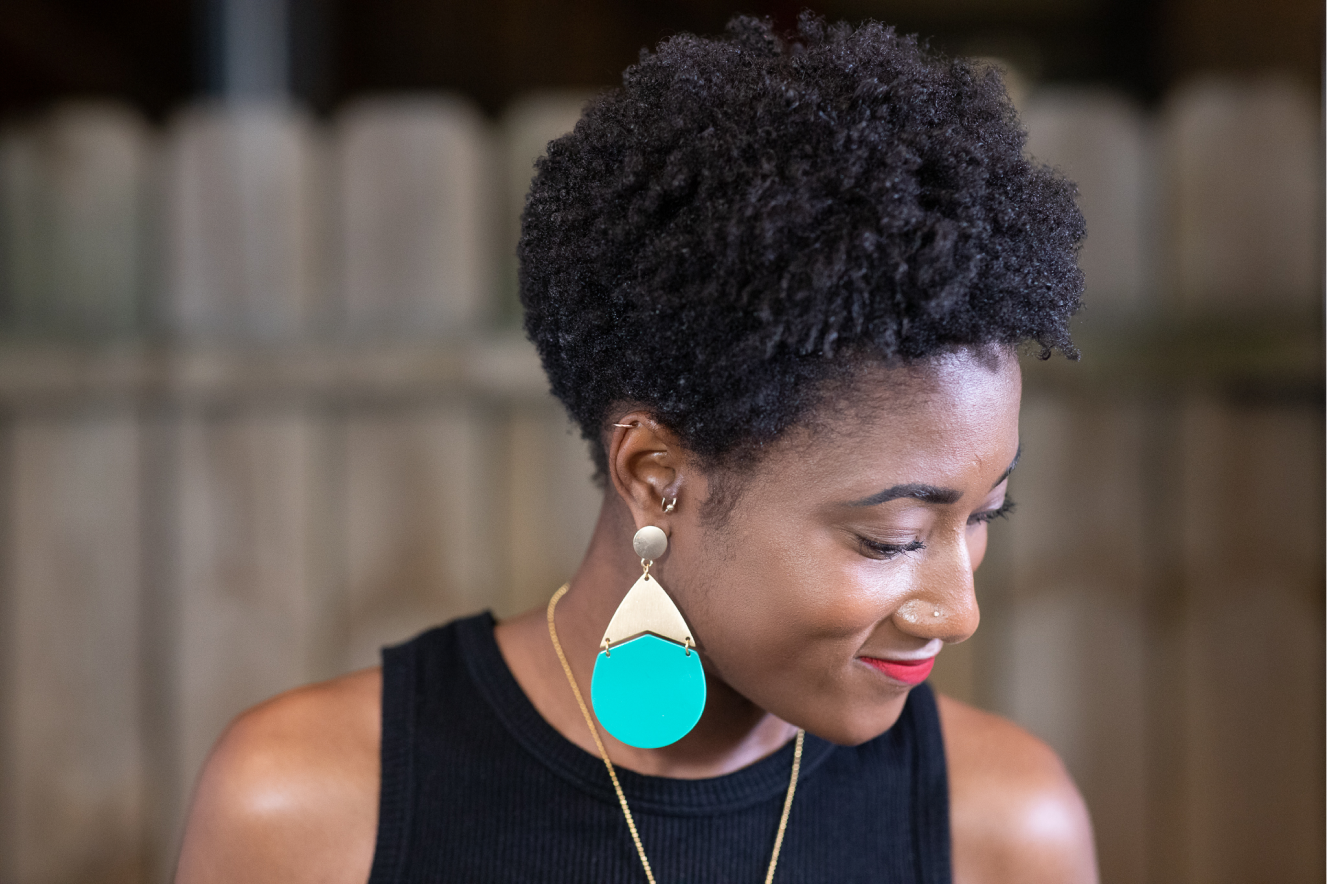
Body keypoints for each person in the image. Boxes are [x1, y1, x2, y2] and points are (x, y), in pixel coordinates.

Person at [176, 15, 1097, 884]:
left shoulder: (1002, 827)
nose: (958, 612)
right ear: (655, 477)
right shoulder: (313, 808)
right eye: (889, 538)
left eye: (986, 514)